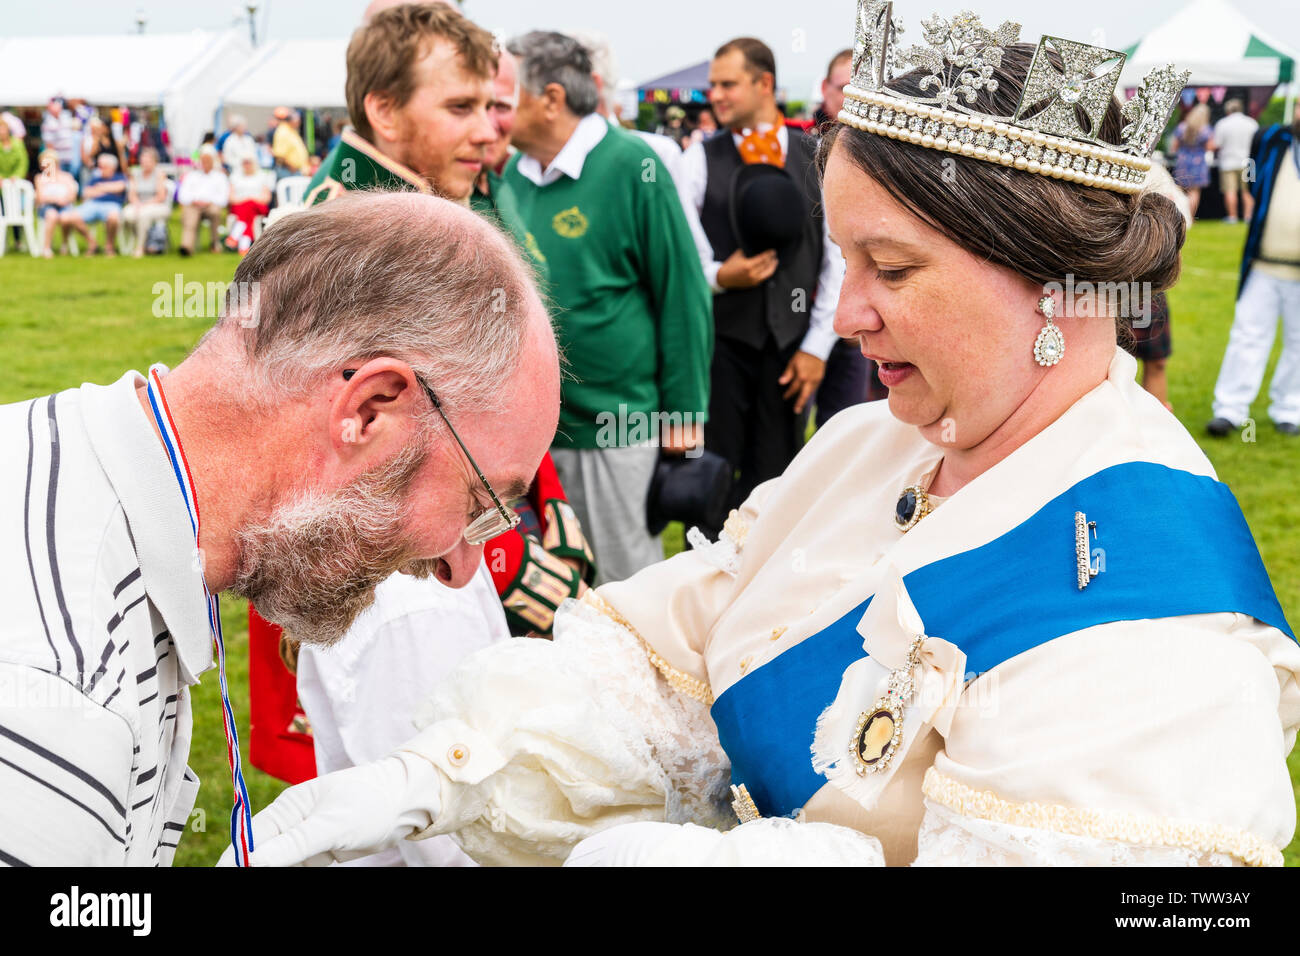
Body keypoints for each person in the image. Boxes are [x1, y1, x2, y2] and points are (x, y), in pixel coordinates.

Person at [231, 7, 1299, 870]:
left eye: (895, 268)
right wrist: (450, 771)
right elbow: (679, 654)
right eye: (848, 262)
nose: (847, 314)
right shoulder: (870, 443)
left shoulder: (1154, 612)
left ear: (1051, 285)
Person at [0, 190, 559, 866]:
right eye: (479, 502)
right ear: (370, 409)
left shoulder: (91, 478)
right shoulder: (62, 690)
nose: (463, 567)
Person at [503, 30, 713, 583]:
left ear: (550, 99)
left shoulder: (631, 164)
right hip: (531, 435)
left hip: (615, 426)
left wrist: (686, 411)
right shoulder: (505, 176)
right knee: (547, 593)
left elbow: (683, 291)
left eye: (504, 97)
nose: (492, 112)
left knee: (622, 591)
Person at [681, 37, 843, 535]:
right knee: (714, 483)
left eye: (727, 84)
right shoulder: (698, 159)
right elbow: (685, 257)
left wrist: (816, 347)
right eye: (713, 85)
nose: (716, 95)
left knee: (778, 488)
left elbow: (836, 256)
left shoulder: (815, 153)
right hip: (721, 350)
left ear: (765, 84)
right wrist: (718, 277)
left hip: (789, 352)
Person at [305, 3, 496, 206]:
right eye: (460, 107)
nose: (488, 134)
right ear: (385, 113)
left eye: (488, 107)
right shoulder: (343, 233)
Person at [1208, 101, 1300, 438]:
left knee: (1298, 342)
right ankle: (1229, 410)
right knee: (1246, 335)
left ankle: (1290, 408)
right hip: (1263, 262)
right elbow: (1256, 160)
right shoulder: (1277, 143)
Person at [810, 47, 873, 428]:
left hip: (853, 321)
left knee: (849, 427)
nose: (852, 99)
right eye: (844, 87)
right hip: (803, 319)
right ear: (826, 89)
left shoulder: (883, 168)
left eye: (861, 89)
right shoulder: (800, 156)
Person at [60, 152, 126, 256]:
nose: (100, 169)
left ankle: (109, 246)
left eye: (103, 166)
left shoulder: (120, 177)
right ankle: (92, 243)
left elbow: (121, 187)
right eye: (100, 166)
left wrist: (99, 188)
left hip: (112, 205)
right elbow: (86, 193)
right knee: (70, 216)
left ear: (112, 167)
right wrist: (109, 189)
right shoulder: (95, 178)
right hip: (92, 204)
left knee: (113, 217)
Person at [1214, 99, 1259, 225]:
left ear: (1228, 110)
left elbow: (1216, 144)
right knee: (1248, 191)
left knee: (1230, 190)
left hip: (1228, 161)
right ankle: (1248, 217)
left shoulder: (1222, 124)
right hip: (1249, 161)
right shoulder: (1252, 123)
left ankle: (1232, 217)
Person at [177, 146, 229, 255]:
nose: (205, 163)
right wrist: (194, 201)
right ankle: (186, 247)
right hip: (193, 205)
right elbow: (182, 196)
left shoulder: (220, 177)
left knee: (215, 212)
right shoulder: (191, 176)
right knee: (190, 218)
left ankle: (215, 243)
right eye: (203, 160)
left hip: (211, 205)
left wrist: (208, 201)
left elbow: (223, 198)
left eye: (207, 160)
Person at [121, 147, 171, 258]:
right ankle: (132, 243)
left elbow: (161, 196)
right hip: (138, 204)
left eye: (148, 161)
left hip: (156, 205)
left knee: (143, 215)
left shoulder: (159, 174)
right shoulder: (135, 173)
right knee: (127, 214)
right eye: (143, 161)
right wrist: (137, 203)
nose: (145, 163)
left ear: (154, 162)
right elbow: (132, 194)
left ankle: (140, 247)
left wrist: (144, 204)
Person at [1170, 102, 1213, 219]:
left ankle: (1179, 216)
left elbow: (1173, 147)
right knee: (1194, 192)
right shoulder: (1205, 130)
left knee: (1181, 190)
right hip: (1198, 162)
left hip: (1182, 161)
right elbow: (1210, 147)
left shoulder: (1182, 127)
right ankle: (1190, 218)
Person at [33, 150, 79, 257]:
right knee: (52, 215)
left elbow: (72, 195)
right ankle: (47, 247)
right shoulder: (40, 178)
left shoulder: (66, 177)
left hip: (64, 205)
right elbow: (40, 198)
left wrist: (64, 200)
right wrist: (53, 199)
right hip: (46, 207)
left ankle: (64, 244)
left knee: (66, 217)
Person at [225, 154, 273, 253]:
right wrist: (246, 200)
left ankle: (234, 236)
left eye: (249, 162)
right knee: (248, 212)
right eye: (244, 163)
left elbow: (266, 198)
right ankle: (244, 246)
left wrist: (251, 200)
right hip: (240, 206)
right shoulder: (235, 177)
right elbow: (231, 197)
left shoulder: (262, 176)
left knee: (250, 204)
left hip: (258, 205)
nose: (247, 165)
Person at [272, 107, 310, 178]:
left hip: (295, 170)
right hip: (288, 171)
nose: (299, 123)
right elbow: (279, 155)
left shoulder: (291, 130)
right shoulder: (283, 131)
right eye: (297, 120)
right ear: (290, 120)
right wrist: (291, 168)